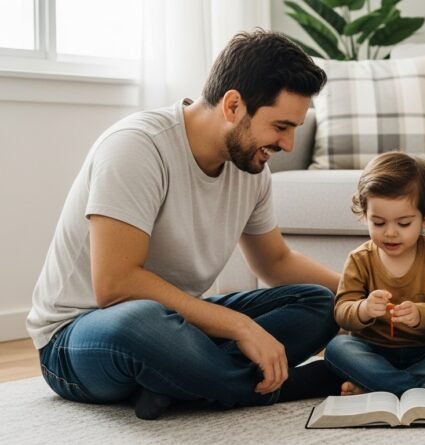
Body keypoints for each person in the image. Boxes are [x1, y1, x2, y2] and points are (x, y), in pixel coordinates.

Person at [27, 29, 344, 420]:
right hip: (81, 335)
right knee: (141, 321)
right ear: (232, 105)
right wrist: (240, 327)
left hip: (177, 324)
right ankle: (284, 386)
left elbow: (275, 262)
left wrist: (365, 292)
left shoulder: (250, 168)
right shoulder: (138, 147)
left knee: (322, 302)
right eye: (281, 127)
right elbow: (116, 285)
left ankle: (181, 384)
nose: (290, 144)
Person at [325, 152, 425, 396]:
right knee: (337, 348)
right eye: (379, 223)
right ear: (365, 215)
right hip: (373, 350)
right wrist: (363, 309)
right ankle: (422, 389)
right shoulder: (360, 259)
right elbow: (342, 311)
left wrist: (420, 314)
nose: (391, 233)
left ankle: (375, 384)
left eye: (404, 223)